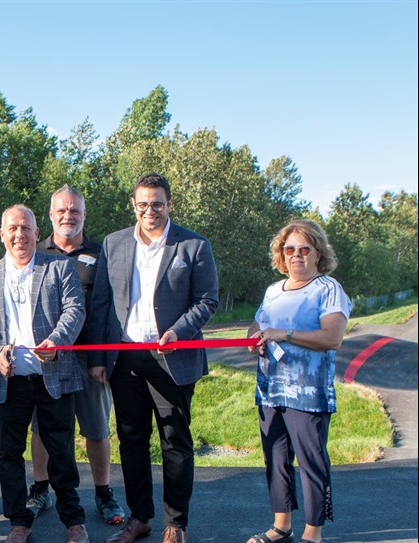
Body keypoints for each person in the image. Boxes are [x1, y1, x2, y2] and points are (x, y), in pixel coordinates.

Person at [88, 173, 219, 543]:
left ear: (170, 204)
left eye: (157, 204)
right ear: (134, 205)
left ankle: (176, 523)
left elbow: (207, 300)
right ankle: (140, 518)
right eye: (143, 204)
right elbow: (100, 303)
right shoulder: (113, 244)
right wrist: (98, 356)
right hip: (125, 357)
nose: (150, 211)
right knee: (131, 440)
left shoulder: (193, 245)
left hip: (172, 358)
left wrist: (179, 331)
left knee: (175, 441)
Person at [0, 204, 90, 543]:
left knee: (62, 453)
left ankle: (74, 522)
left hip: (53, 377)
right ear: (2, 235)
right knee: (8, 454)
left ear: (37, 232)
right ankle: (18, 522)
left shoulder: (60, 267)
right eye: (13, 229)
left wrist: (57, 340)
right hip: (8, 382)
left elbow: (75, 310)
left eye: (26, 228)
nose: (19, 234)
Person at [245, 220, 351, 543]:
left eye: (304, 249)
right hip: (270, 390)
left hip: (309, 394)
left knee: (311, 462)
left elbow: (332, 337)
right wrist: (254, 338)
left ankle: (313, 532)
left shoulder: (328, 289)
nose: (296, 256)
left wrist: (283, 334)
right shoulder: (273, 291)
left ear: (318, 253)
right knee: (276, 460)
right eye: (289, 249)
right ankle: (281, 526)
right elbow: (256, 325)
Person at [27, 186, 125, 524]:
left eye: (75, 211)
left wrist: (100, 357)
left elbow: (105, 310)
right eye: (62, 210)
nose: (68, 216)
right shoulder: (36, 252)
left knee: (96, 429)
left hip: (87, 359)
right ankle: (40, 489)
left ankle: (104, 494)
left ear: (84, 214)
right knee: (42, 428)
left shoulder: (102, 254)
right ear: (50, 215)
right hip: (47, 360)